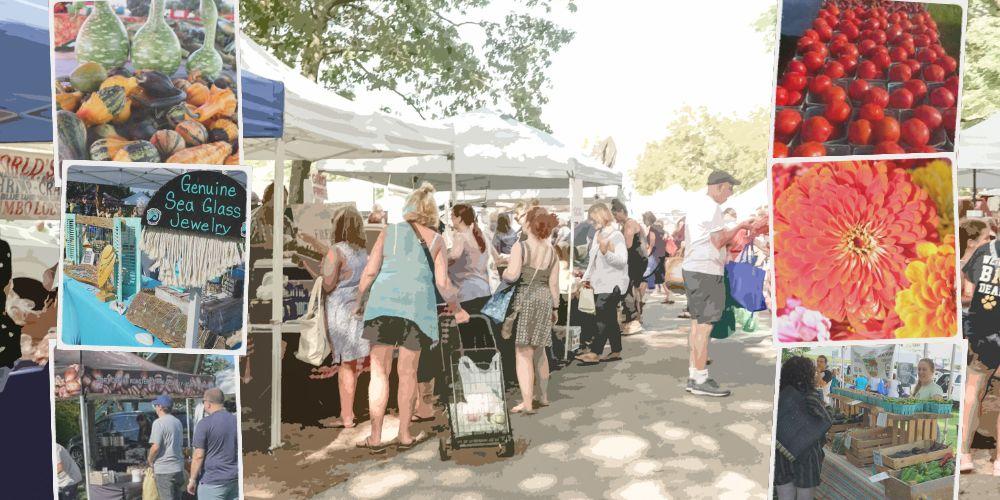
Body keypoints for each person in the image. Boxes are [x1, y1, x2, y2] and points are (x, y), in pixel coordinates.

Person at [355, 183, 466, 453]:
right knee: (408, 373)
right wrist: (457, 306)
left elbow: (370, 272)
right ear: (430, 211)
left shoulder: (388, 232)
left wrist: (359, 300)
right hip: (416, 309)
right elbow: (442, 283)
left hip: (383, 305)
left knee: (379, 374)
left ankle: (376, 437)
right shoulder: (437, 240)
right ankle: (404, 434)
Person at [682, 170, 756, 397]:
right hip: (705, 271)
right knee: (704, 327)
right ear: (720, 186)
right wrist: (740, 226)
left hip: (694, 268)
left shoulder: (697, 205)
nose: (731, 193)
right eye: (730, 188)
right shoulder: (711, 207)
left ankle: (695, 374)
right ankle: (700, 378)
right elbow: (718, 240)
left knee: (697, 324)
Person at [502, 207, 560, 414]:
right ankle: (543, 397)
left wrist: (503, 275)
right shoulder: (552, 251)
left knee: (523, 352)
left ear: (529, 224)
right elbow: (554, 285)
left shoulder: (521, 247)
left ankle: (527, 402)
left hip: (525, 297)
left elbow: (513, 274)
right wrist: (555, 307)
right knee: (541, 350)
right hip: (545, 298)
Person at [321, 206, 370, 429]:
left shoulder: (336, 251)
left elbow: (329, 284)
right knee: (354, 362)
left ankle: (346, 416)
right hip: (359, 310)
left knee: (345, 365)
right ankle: (351, 411)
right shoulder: (362, 252)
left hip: (339, 311)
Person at [961, 224, 1000, 473]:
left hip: (981, 330)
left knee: (972, 391)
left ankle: (964, 456)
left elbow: (967, 286)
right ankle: (998, 463)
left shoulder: (985, 250)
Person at [576, 203, 628, 364]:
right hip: (600, 283)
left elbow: (622, 261)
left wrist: (606, 253)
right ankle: (615, 350)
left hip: (612, 284)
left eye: (593, 219)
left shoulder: (616, 235)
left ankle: (595, 352)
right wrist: (585, 278)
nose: (591, 222)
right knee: (609, 317)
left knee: (601, 316)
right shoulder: (599, 234)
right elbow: (593, 261)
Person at [774, 356, 830, 500]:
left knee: (784, 496)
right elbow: (825, 420)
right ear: (807, 374)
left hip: (781, 453)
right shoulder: (809, 395)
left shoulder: (778, 395)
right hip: (807, 457)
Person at [186, 388, 238, 499]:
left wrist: (192, 480)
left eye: (203, 402)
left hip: (212, 481)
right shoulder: (236, 420)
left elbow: (198, 456)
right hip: (234, 479)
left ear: (208, 404)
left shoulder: (204, 424)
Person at [611, 199, 646, 335]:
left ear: (621, 211)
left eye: (615, 214)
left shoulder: (629, 224)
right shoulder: (630, 223)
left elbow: (627, 245)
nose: (615, 218)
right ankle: (635, 317)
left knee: (628, 289)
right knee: (633, 289)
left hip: (634, 261)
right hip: (637, 260)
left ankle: (632, 320)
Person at [147, 395, 184, 500]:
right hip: (178, 468)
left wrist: (149, 460)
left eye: (156, 405)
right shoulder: (178, 422)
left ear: (160, 407)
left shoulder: (158, 423)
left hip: (164, 470)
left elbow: (155, 447)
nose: (155, 408)